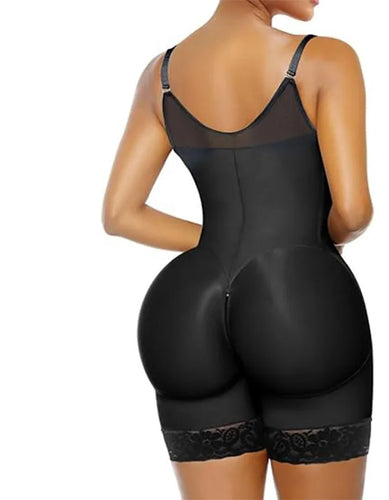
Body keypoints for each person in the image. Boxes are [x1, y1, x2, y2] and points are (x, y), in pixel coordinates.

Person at [102, 0, 374, 498]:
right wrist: (311, 246)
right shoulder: (326, 60)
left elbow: (120, 213)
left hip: (186, 307)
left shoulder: (160, 76)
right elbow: (354, 212)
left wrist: (224, 246)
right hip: (298, 302)